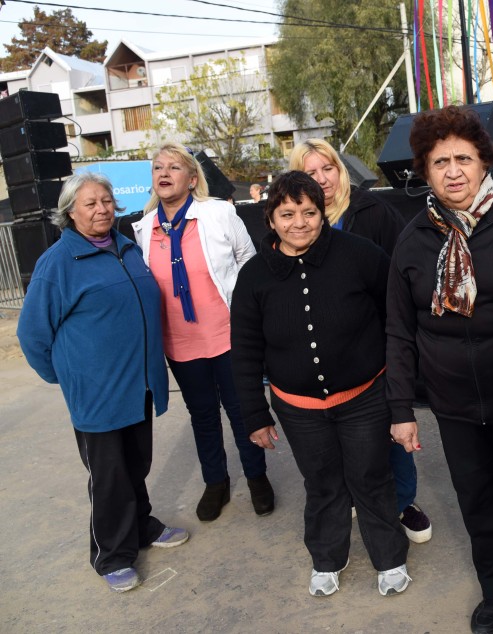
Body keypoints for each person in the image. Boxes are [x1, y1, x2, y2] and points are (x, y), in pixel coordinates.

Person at [386, 104, 493, 634]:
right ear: (424, 171)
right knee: (478, 504)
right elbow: (398, 329)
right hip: (454, 403)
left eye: (463, 158)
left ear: (484, 162)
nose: (453, 171)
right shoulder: (413, 238)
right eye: (440, 162)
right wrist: (401, 409)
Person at [230, 170, 411, 597]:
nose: (299, 222)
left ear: (323, 212)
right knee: (323, 481)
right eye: (287, 213)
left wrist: (402, 386)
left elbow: (396, 317)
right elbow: (245, 350)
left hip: (365, 397)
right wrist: (255, 415)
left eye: (309, 212)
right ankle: (328, 556)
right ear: (270, 218)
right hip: (299, 409)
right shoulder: (254, 276)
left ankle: (389, 557)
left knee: (371, 476)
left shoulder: (359, 254)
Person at [17, 172, 189, 593]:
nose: (102, 209)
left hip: (138, 384)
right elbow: (32, 334)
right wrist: (69, 376)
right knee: (109, 474)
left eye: (107, 201)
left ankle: (140, 525)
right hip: (96, 393)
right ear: (70, 212)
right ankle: (111, 553)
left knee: (135, 463)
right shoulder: (58, 263)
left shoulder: (126, 248)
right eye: (91, 203)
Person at [288, 138, 431, 543]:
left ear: (340, 169)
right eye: (310, 172)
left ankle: (403, 502)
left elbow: (402, 274)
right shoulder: (294, 222)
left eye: (327, 168)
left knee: (393, 427)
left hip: (378, 349)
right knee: (342, 440)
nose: (321, 179)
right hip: (327, 359)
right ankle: (356, 499)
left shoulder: (371, 210)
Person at [132, 142, 273, 523]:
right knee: (202, 415)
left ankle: (257, 477)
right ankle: (216, 482)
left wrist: (248, 314)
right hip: (180, 343)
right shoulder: (144, 229)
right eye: (158, 168)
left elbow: (249, 260)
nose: (163, 173)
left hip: (228, 336)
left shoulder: (219, 213)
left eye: (173, 167)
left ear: (192, 179)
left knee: (242, 411)